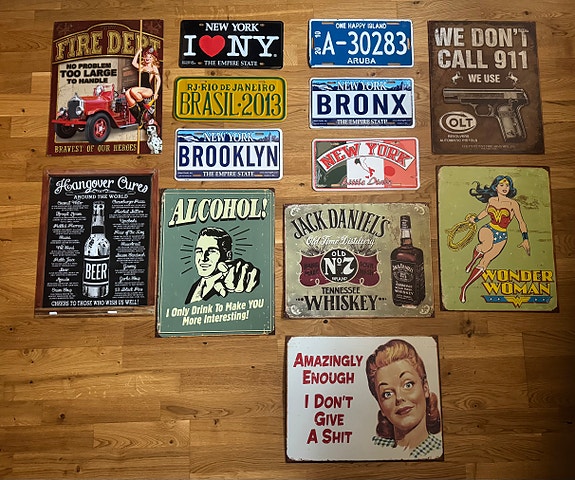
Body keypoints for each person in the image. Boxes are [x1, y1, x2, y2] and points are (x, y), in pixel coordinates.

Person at [365, 339, 442, 460]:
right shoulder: (371, 447)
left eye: (408, 385)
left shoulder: (437, 451)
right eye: (387, 394)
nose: (399, 398)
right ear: (381, 406)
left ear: (425, 388)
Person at [460, 175, 530, 303]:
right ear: (495, 187)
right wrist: (475, 220)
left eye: (507, 185)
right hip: (488, 229)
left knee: (485, 263)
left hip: (502, 236)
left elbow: (521, 222)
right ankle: (473, 260)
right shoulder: (491, 200)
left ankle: (464, 287)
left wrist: (525, 239)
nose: (505, 187)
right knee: (487, 245)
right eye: (501, 185)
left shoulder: (513, 204)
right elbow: (485, 212)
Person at [185, 227, 260, 304]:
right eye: (199, 251)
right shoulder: (193, 286)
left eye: (212, 251)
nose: (203, 258)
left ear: (228, 256)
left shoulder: (231, 283)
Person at [125, 46, 161, 126]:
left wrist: (156, 93)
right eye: (146, 56)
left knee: (133, 90)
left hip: (148, 90)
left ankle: (143, 108)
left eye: (150, 57)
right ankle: (139, 118)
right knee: (127, 93)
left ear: (153, 58)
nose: (147, 58)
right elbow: (133, 63)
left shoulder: (153, 68)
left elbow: (158, 80)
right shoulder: (142, 67)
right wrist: (138, 52)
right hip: (140, 89)